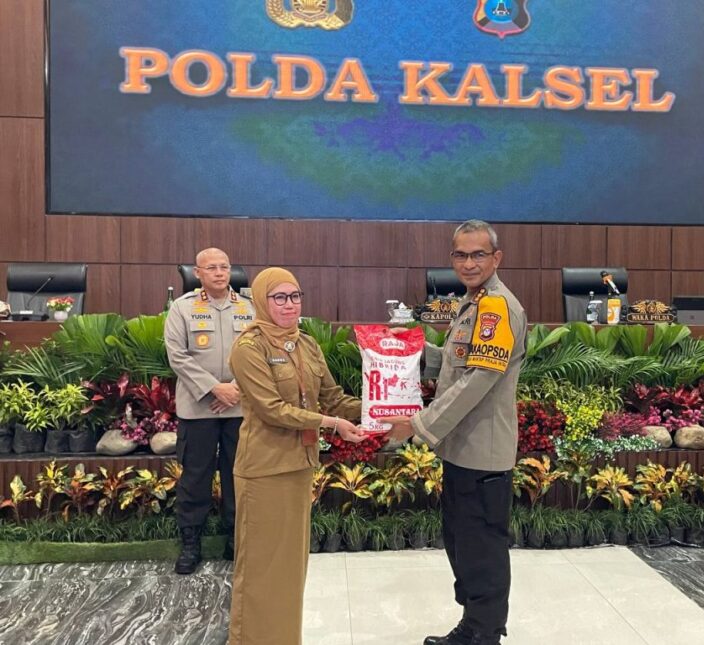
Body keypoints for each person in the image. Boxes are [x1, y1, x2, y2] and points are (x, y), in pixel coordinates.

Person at [382, 220, 527, 645]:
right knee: (463, 541)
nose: (468, 262)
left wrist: (419, 424)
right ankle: (475, 625)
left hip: (483, 448)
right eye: (460, 254)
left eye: (478, 254)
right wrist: (407, 349)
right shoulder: (474, 303)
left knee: (481, 547)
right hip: (463, 448)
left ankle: (483, 633)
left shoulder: (497, 307)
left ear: (496, 258)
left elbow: (480, 378)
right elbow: (456, 363)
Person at [227, 267, 366, 645]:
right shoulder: (249, 347)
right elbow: (272, 409)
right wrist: (331, 423)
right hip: (264, 470)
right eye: (279, 297)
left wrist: (379, 407)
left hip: (299, 467)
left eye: (295, 296)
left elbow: (333, 397)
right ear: (261, 300)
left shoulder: (305, 344)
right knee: (261, 569)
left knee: (290, 570)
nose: (290, 305)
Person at [165, 248, 255, 575]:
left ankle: (236, 540)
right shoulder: (183, 308)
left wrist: (236, 389)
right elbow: (177, 356)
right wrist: (215, 388)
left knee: (238, 476)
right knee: (195, 477)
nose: (219, 272)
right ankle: (191, 543)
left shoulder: (250, 307)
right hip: (198, 409)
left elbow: (259, 355)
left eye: (224, 267)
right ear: (198, 273)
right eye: (211, 268)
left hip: (239, 408)